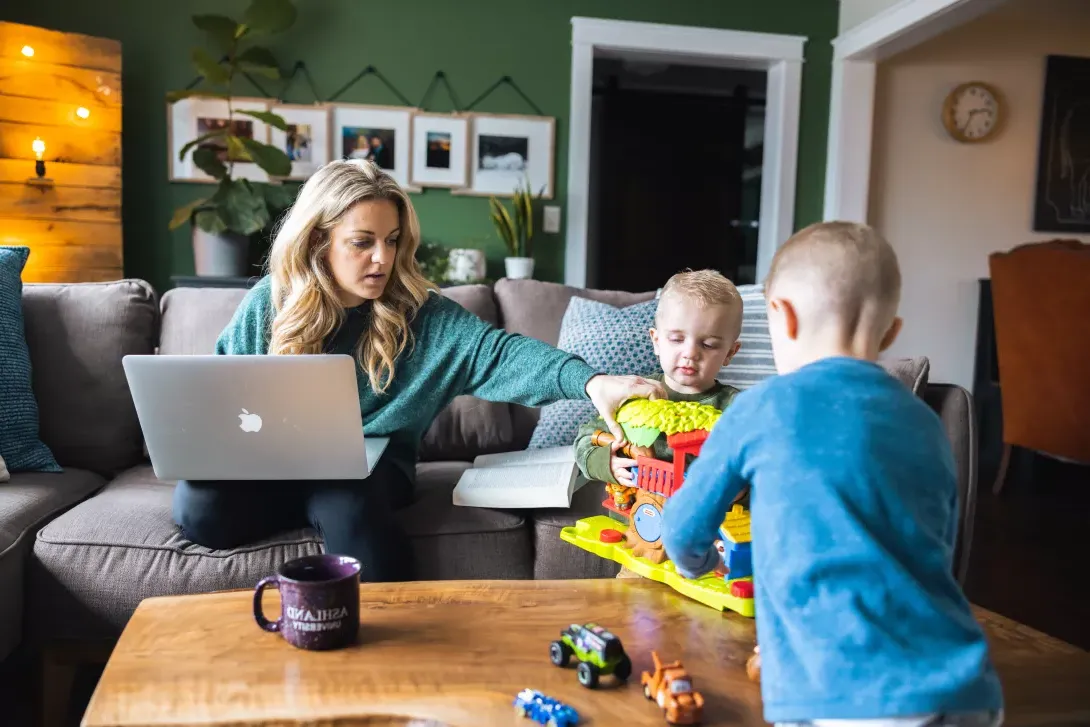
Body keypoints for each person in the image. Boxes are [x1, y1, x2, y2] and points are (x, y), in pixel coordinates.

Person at [172, 158, 664, 583]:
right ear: (320, 239)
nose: (382, 258)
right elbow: (223, 394)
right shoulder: (271, 303)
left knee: (348, 497)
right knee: (200, 510)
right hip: (275, 466)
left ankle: (392, 638)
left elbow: (501, 353)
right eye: (362, 242)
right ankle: (310, 502)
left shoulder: (423, 315)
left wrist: (590, 381)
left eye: (391, 240)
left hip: (371, 470)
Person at [661, 222, 1004, 727]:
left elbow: (682, 530)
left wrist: (695, 563)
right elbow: (940, 545)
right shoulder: (923, 422)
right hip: (963, 686)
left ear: (781, 316)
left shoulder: (760, 408)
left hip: (842, 692)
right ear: (890, 332)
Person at [573, 268, 744, 490]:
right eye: (676, 339)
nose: (690, 353)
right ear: (656, 341)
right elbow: (585, 439)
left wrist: (739, 491)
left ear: (730, 352)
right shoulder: (633, 392)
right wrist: (608, 464)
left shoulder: (738, 407)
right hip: (632, 516)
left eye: (708, 344)